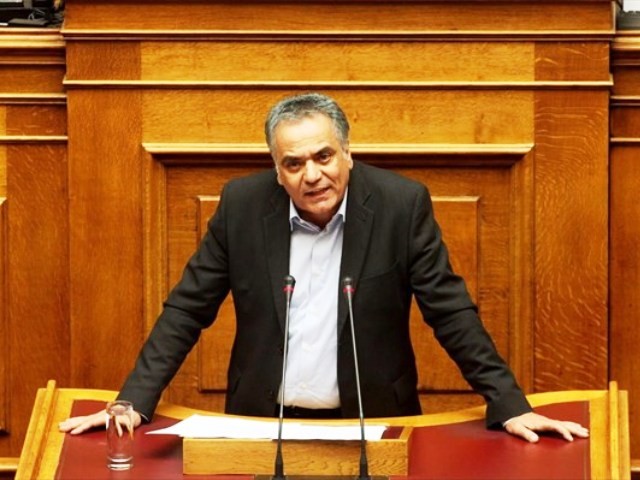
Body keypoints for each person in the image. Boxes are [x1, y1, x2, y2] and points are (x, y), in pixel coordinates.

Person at [60, 92, 588, 444]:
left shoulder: (400, 205)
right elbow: (186, 310)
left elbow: (450, 312)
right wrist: (133, 401)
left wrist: (508, 403)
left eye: (323, 156)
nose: (312, 175)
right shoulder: (242, 206)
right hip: (261, 424)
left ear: (347, 153)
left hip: (372, 422)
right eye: (294, 164)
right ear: (277, 170)